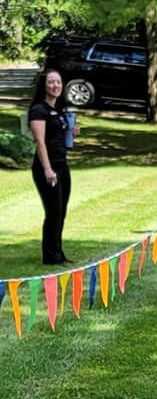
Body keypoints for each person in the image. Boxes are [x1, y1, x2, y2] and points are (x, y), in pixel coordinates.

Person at [29, 69, 80, 265]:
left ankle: (58, 252)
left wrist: (72, 132)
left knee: (62, 211)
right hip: (47, 167)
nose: (55, 86)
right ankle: (50, 256)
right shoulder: (38, 110)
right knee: (53, 210)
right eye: (51, 82)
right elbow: (40, 143)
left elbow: (59, 138)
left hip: (62, 164)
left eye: (58, 82)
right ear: (45, 85)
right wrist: (48, 170)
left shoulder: (59, 109)